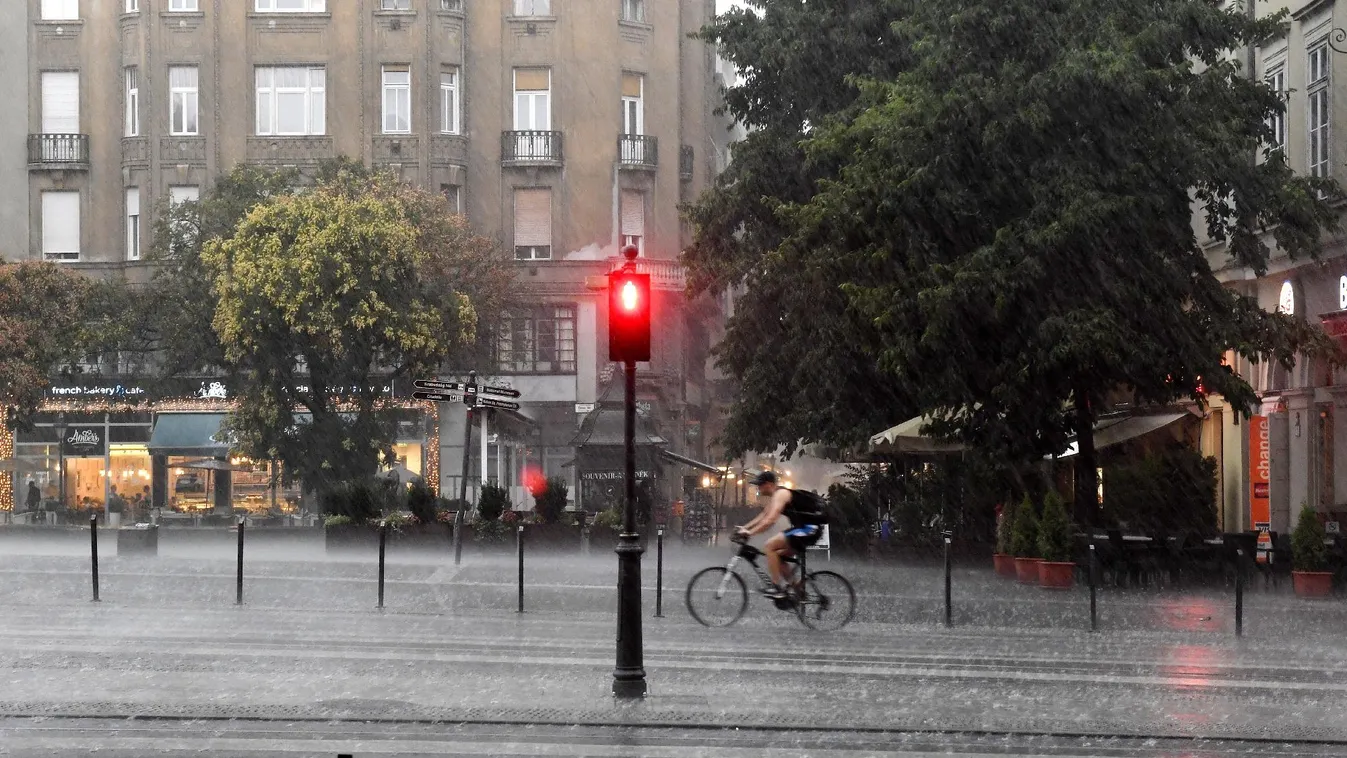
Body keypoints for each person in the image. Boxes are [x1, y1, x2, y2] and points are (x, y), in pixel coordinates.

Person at [735, 471, 827, 599]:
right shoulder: (776, 497)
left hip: (809, 529)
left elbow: (770, 520)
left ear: (769, 484)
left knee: (769, 546)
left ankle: (776, 587)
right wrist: (744, 528)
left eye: (760, 484)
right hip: (805, 529)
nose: (758, 487)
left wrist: (750, 533)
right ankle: (797, 590)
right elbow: (763, 516)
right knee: (778, 556)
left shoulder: (781, 494)